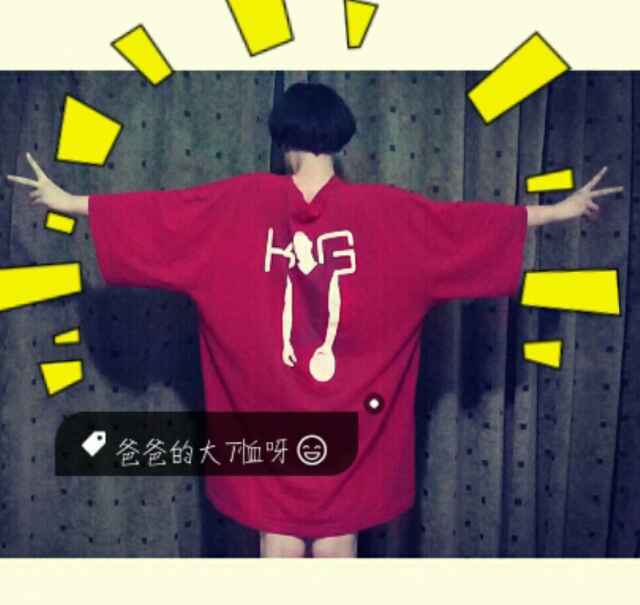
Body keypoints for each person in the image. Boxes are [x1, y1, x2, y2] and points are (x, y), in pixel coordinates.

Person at [6, 82, 623, 559]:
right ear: (340, 138)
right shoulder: (391, 213)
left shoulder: (237, 203)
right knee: (337, 546)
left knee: (276, 544)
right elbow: (464, 228)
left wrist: (69, 201)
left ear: (284, 139)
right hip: (352, 421)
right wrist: (559, 211)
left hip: (266, 416)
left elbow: (162, 218)